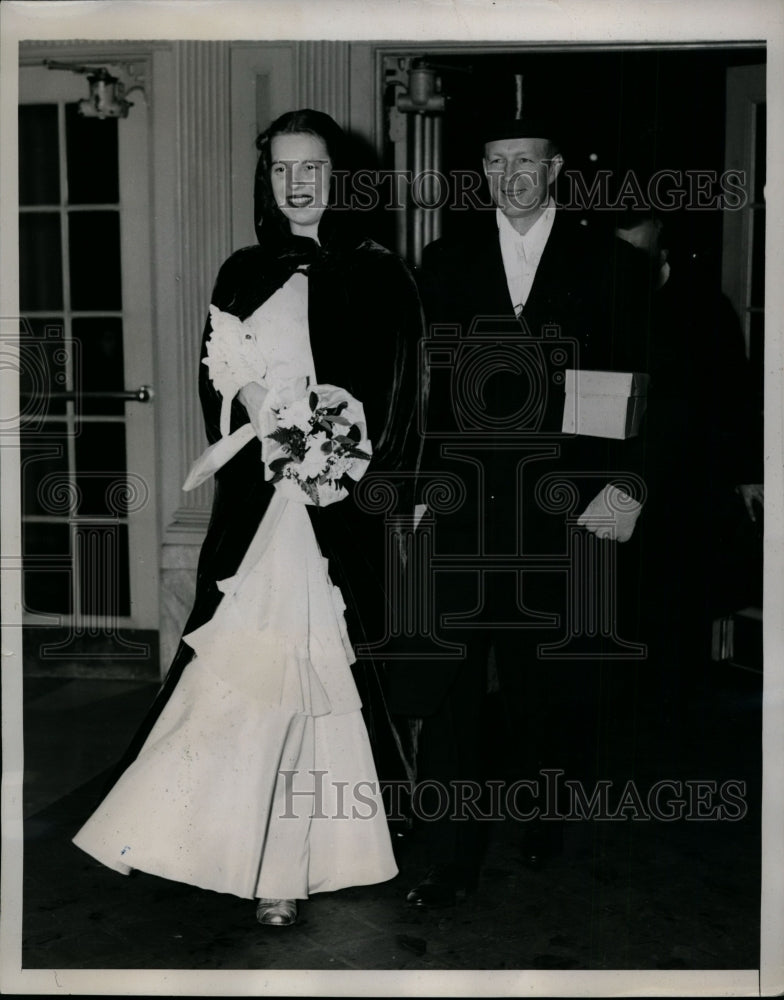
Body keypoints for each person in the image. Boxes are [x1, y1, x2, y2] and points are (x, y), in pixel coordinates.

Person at [73, 109, 423, 927]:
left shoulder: (381, 275)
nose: (298, 185)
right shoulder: (241, 272)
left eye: (314, 169)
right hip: (260, 508)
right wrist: (269, 426)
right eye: (280, 170)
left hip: (336, 515)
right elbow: (217, 385)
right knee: (241, 675)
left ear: (344, 178)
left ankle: (290, 863)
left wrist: (347, 468)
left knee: (317, 681)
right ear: (265, 181)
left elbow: (402, 403)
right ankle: (208, 840)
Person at [389, 113, 652, 907]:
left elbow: (647, 389)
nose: (511, 177)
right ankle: (451, 858)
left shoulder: (611, 265)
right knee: (457, 690)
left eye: (526, 162)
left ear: (555, 168)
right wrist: (420, 491)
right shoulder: (443, 262)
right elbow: (425, 391)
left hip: (565, 511)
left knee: (551, 686)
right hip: (467, 510)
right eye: (496, 162)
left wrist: (626, 489)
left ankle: (544, 816)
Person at [615, 210, 763, 685]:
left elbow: (735, 396)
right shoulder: (606, 303)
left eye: (638, 248)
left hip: (688, 490)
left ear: (662, 241)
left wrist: (746, 474)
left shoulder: (705, 306)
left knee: (679, 629)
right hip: (623, 485)